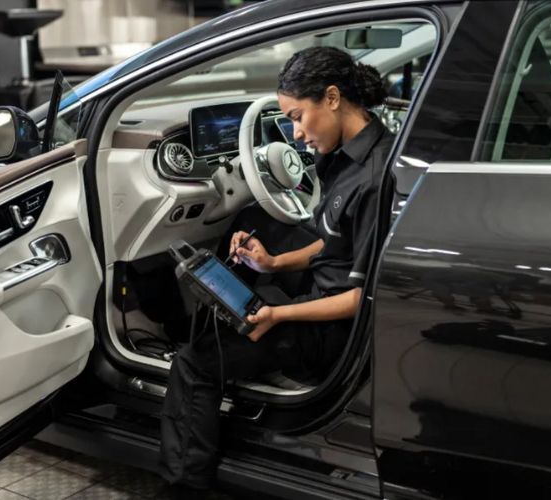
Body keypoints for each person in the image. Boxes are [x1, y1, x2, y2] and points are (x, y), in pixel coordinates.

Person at [159, 46, 393, 497]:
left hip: (332, 334)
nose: (295, 134)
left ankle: (182, 490)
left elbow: (358, 300)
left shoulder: (372, 178)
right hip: (323, 289)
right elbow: (335, 240)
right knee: (256, 231)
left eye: (297, 117)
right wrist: (272, 263)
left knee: (193, 363)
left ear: (331, 97)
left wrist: (276, 316)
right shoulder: (350, 154)